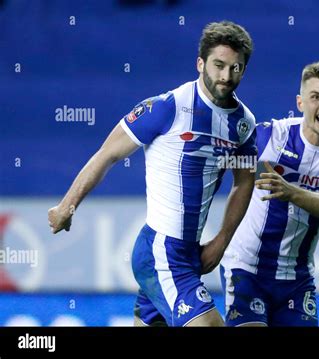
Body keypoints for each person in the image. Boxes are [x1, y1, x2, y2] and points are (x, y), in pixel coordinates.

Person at [48, 21, 257, 327]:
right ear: (200, 63)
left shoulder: (243, 123)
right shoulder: (167, 107)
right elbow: (107, 155)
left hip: (189, 253)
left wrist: (221, 241)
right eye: (218, 65)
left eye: (235, 68)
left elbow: (244, 182)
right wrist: (67, 206)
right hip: (160, 251)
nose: (226, 76)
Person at [220, 61, 319, 326]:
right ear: (300, 103)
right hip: (246, 268)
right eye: (315, 97)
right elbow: (218, 160)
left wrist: (291, 192)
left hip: (297, 279)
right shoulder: (269, 136)